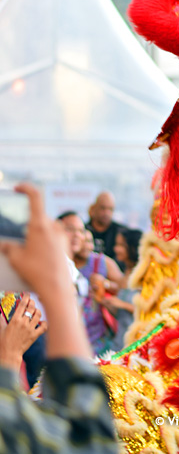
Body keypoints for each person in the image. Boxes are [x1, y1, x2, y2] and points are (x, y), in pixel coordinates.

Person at [0, 182, 118, 453]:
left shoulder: (98, 264)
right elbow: (87, 442)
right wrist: (9, 356)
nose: (76, 236)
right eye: (70, 230)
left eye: (80, 231)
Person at [74, 229, 123, 357]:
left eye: (90, 242)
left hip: (98, 336)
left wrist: (105, 284)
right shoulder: (63, 264)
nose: (87, 246)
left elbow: (125, 287)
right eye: (83, 242)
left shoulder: (101, 262)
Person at [101, 228, 142, 352]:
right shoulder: (125, 275)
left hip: (136, 345)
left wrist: (122, 304)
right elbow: (121, 316)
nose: (116, 249)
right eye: (116, 244)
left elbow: (151, 313)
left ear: (133, 247)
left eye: (121, 245)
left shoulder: (145, 276)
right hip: (119, 344)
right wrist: (105, 302)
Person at [85, 192, 121, 262]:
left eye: (110, 209)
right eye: (103, 208)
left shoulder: (120, 233)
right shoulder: (83, 231)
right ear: (93, 208)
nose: (106, 213)